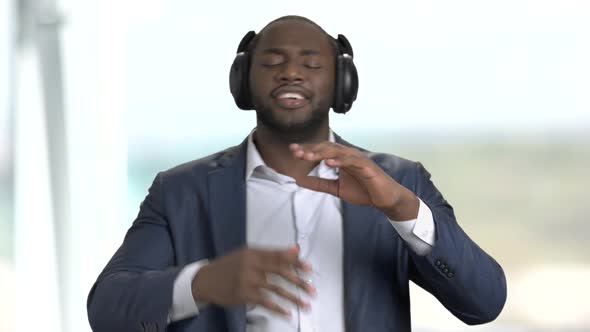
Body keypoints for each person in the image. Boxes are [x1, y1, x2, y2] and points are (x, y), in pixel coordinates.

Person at [87, 15, 507, 332]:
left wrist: (401, 209)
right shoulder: (181, 191)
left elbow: (483, 303)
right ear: (243, 81)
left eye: (311, 63)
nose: (291, 73)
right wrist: (204, 283)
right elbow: (107, 308)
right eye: (273, 62)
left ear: (342, 84)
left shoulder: (400, 182)